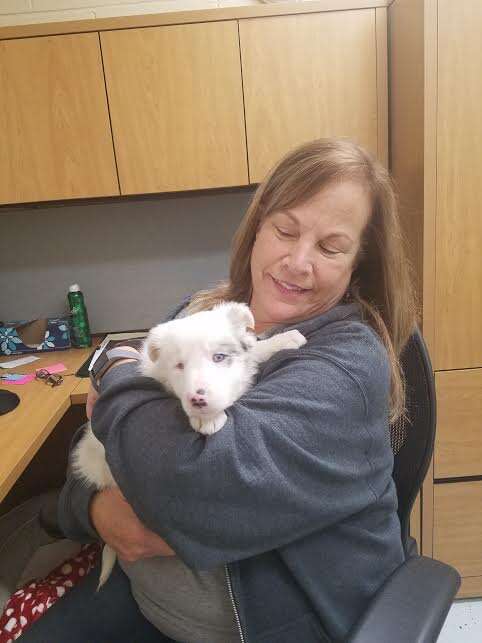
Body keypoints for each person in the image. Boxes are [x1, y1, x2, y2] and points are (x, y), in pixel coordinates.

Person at [20, 138, 416, 642]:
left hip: (258, 626)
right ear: (257, 229)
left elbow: (193, 481)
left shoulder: (348, 365)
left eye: (330, 247)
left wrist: (115, 366)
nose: (297, 261)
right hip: (147, 595)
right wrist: (96, 513)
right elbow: (97, 443)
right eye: (285, 230)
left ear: (358, 263)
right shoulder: (199, 313)